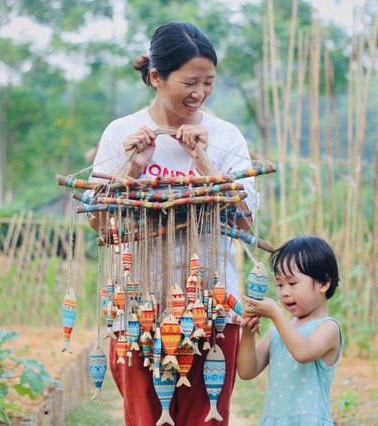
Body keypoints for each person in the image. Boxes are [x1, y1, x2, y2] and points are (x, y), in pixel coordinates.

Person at [89, 21, 258, 426]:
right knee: (145, 419)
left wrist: (204, 159)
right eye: (189, 82)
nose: (199, 93)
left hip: (212, 308)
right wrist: (133, 165)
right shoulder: (122, 133)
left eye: (208, 82)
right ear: (155, 77)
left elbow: (246, 222)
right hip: (138, 310)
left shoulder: (224, 135)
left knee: (207, 418)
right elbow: (97, 222)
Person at [234, 235, 343, 425]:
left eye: (292, 283)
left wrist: (276, 315)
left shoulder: (329, 327)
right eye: (279, 284)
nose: (284, 292)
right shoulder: (278, 332)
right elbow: (246, 371)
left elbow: (304, 352)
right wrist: (248, 335)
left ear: (324, 283)